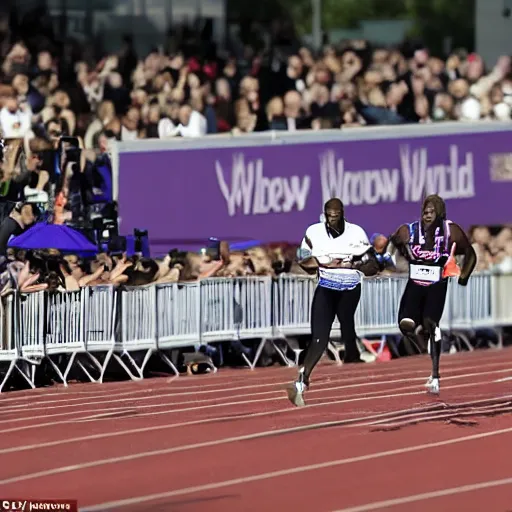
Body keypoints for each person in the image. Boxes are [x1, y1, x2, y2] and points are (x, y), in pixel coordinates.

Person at [287, 198, 379, 407]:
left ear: (343, 214)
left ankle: (353, 348)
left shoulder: (357, 233)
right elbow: (303, 260)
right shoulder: (313, 232)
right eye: (329, 216)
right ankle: (303, 379)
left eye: (336, 216)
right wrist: (323, 262)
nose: (332, 220)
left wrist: (353, 264)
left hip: (349, 288)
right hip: (326, 287)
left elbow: (374, 265)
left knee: (346, 319)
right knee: (319, 338)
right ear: (325, 215)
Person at [389, 194, 476, 395]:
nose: (427, 216)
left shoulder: (451, 231)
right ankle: (423, 346)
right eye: (425, 212)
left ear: (440, 213)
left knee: (431, 323)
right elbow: (391, 244)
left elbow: (470, 253)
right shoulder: (410, 230)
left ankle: (435, 374)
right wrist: (392, 259)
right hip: (415, 283)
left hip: (437, 283)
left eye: (431, 212)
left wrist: (464, 276)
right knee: (404, 323)